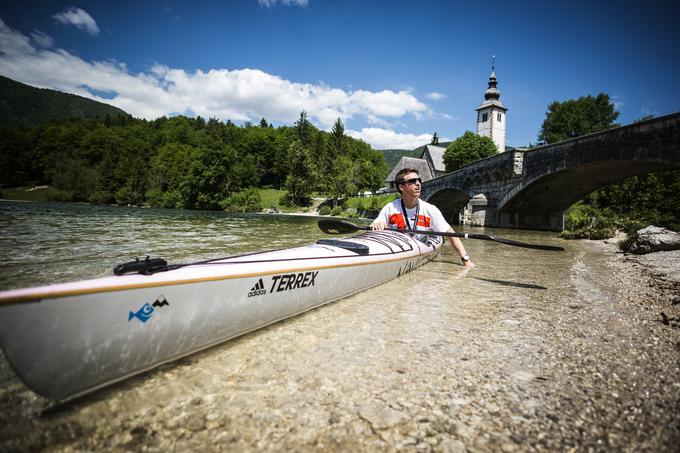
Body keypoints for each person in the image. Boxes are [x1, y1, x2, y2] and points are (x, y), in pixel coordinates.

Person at [371, 168, 475, 267]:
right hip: (399, 247)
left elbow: (450, 234)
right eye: (412, 181)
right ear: (401, 187)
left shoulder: (430, 209)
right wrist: (376, 224)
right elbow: (375, 225)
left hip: (422, 245)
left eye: (419, 180)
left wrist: (466, 259)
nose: (418, 184)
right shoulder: (390, 208)